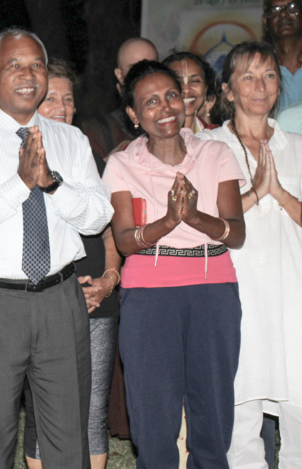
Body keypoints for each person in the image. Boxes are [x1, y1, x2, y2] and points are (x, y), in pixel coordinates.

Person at [0, 28, 113, 468]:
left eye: (36, 65)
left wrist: (50, 183)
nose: (28, 74)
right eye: (14, 65)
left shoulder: (70, 140)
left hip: (60, 300)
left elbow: (97, 215)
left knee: (66, 435)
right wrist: (19, 183)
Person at [102, 59, 245, 468]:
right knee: (152, 418)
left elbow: (236, 233)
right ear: (133, 115)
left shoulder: (215, 152)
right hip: (149, 296)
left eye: (171, 96)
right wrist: (169, 220)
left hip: (213, 290)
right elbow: (126, 242)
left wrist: (195, 216)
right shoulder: (122, 164)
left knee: (212, 415)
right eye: (149, 102)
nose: (164, 108)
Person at [197, 41, 302, 468]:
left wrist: (278, 191)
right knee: (240, 412)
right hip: (235, 292)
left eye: (270, 76)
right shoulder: (208, 146)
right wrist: (258, 192)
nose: (261, 86)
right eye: (248, 77)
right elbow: (201, 218)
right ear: (227, 89)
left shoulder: (296, 144)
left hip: (293, 293)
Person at [23, 59, 121, 469]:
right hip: (43, 301)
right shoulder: (18, 164)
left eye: (68, 99)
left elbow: (110, 227)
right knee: (43, 411)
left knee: (92, 408)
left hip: (97, 296)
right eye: (51, 99)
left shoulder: (86, 157)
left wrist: (110, 278)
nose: (61, 107)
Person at [81, 37, 158, 160]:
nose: (143, 74)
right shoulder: (98, 131)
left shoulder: (172, 120)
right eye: (134, 67)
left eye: (150, 66)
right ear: (119, 75)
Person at [162, 52, 218, 133]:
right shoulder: (147, 140)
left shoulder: (220, 139)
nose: (186, 89)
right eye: (178, 82)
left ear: (206, 89)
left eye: (194, 81)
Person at [263, 0, 302, 111]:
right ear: (265, 20)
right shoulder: (258, 70)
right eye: (275, 10)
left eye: (292, 7)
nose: (284, 14)